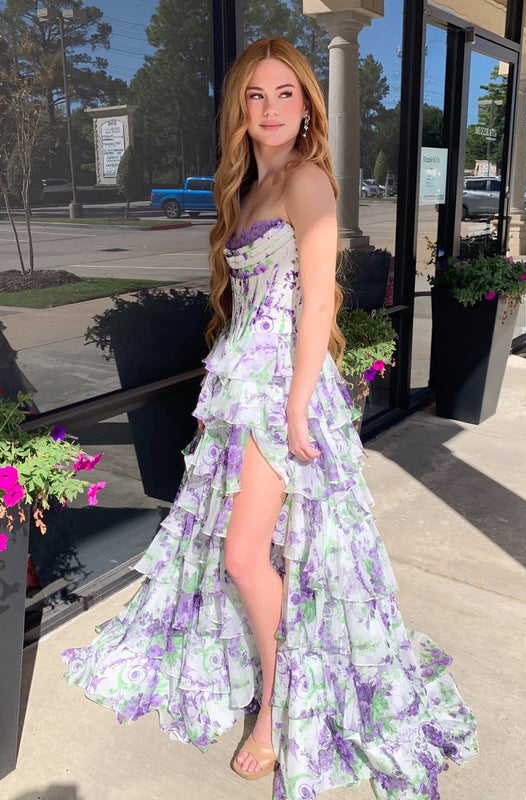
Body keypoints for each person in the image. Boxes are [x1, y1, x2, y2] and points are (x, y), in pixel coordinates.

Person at [62, 37, 478, 800]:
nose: (271, 108)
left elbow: (318, 304)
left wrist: (293, 407)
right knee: (263, 551)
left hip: (281, 389)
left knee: (244, 554)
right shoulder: (250, 186)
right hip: (241, 383)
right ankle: (277, 670)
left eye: (286, 93)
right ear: (240, 110)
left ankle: (281, 706)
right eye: (256, 95)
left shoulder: (306, 180)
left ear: (308, 105)